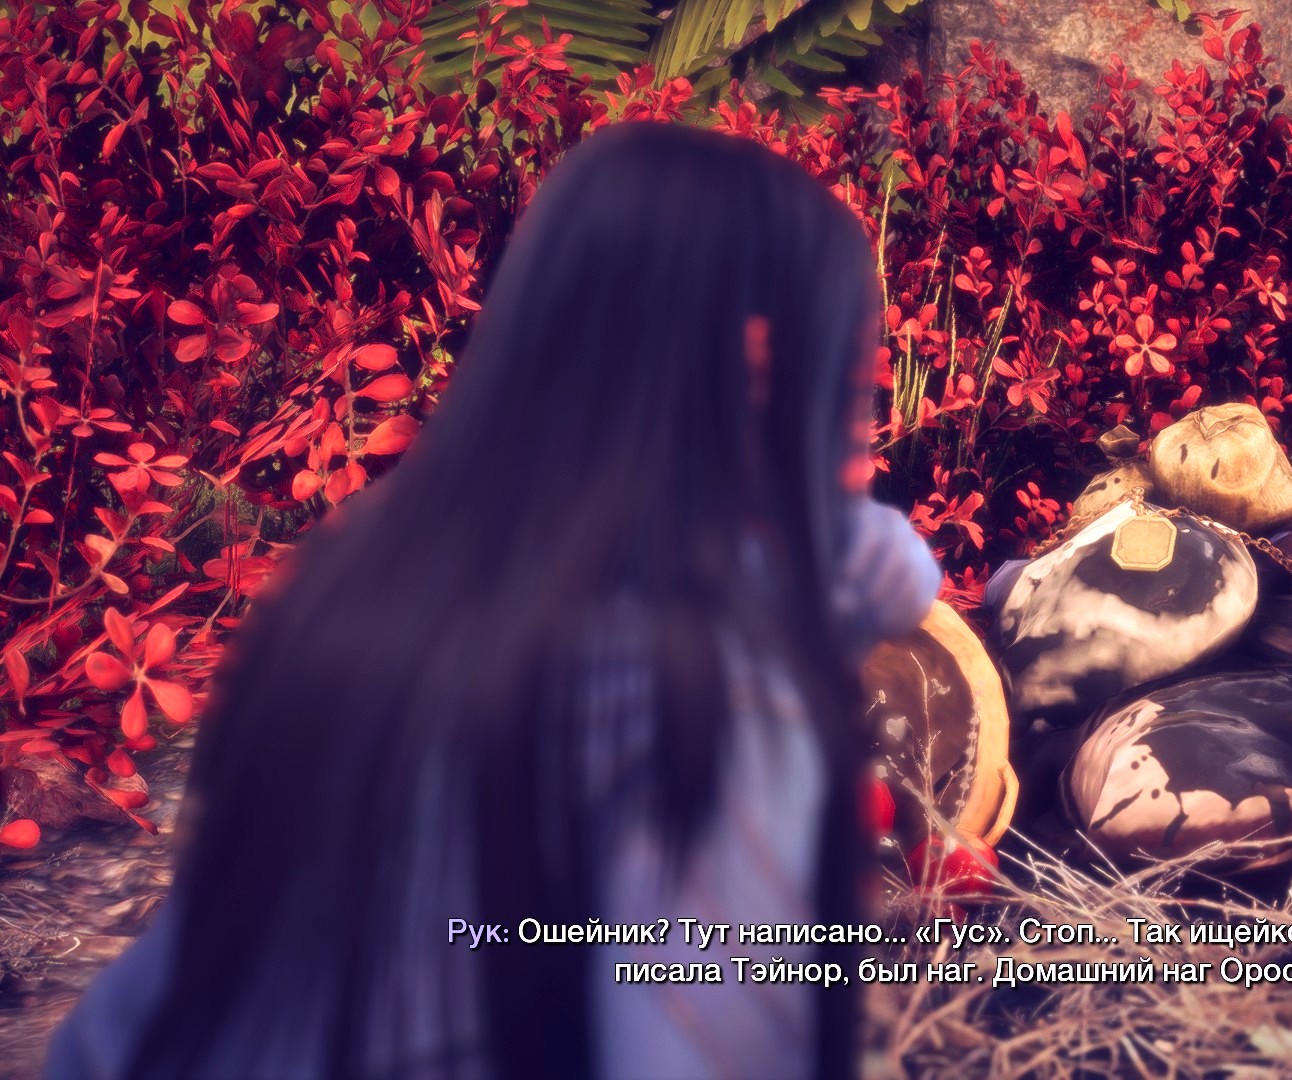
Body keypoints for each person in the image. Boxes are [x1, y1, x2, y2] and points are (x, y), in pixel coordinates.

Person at [44, 121, 942, 1079]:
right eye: (845, 405)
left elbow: (133, 1018)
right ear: (739, 396)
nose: (862, 464)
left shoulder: (356, 573)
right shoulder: (708, 696)